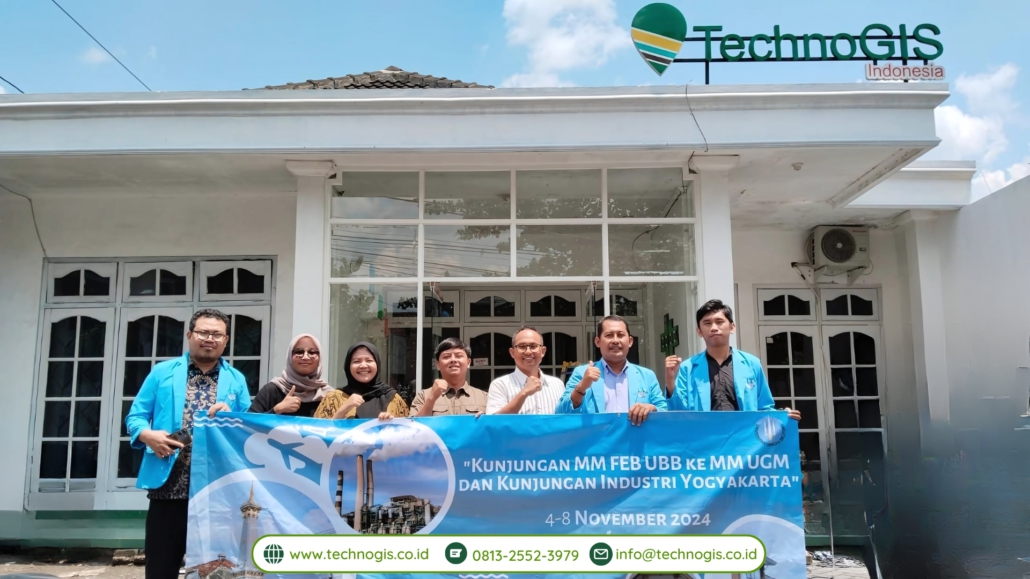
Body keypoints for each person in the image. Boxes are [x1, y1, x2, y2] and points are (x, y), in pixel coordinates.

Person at [125, 308, 251, 579]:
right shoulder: (162, 372)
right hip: (169, 487)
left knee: (216, 571)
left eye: (217, 334)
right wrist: (147, 435)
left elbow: (246, 430)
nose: (210, 339)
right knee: (161, 569)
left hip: (216, 492)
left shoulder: (236, 379)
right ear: (189, 335)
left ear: (226, 340)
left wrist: (232, 416)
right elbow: (136, 417)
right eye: (203, 332)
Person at [665, 299, 801, 421]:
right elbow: (678, 413)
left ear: (732, 327)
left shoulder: (752, 364)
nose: (714, 328)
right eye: (707, 323)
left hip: (743, 437)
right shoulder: (688, 367)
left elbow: (764, 407)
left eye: (719, 322)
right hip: (704, 437)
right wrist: (670, 381)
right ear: (699, 331)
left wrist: (783, 415)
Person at [556, 315, 666, 425]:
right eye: (609, 335)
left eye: (620, 335)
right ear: (598, 341)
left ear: (630, 341)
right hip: (598, 436)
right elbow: (560, 414)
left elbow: (664, 411)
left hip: (635, 435)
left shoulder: (647, 376)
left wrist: (651, 408)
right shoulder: (582, 373)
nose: (615, 340)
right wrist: (582, 387)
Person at [314, 342, 409, 419]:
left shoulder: (393, 399)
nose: (363, 365)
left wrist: (392, 425)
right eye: (356, 361)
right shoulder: (333, 399)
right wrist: (343, 410)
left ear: (377, 364)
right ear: (348, 367)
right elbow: (319, 433)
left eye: (369, 360)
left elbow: (409, 432)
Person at [249, 333, 334, 417]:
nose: (305, 357)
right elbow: (247, 423)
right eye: (299, 352)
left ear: (320, 358)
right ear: (290, 356)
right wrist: (277, 410)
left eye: (312, 352)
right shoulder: (271, 391)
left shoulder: (329, 396)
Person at [486, 326, 565, 415]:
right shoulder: (500, 385)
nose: (528, 352)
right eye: (522, 346)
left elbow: (565, 418)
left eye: (533, 346)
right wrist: (524, 393)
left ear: (543, 351)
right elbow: (494, 420)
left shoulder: (557, 384)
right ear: (512, 352)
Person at [410, 337, 488, 416]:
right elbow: (414, 423)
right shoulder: (423, 396)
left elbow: (493, 423)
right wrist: (431, 398)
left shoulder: (485, 398)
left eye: (459, 356)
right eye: (446, 357)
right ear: (438, 364)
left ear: (468, 362)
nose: (453, 360)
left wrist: (485, 420)